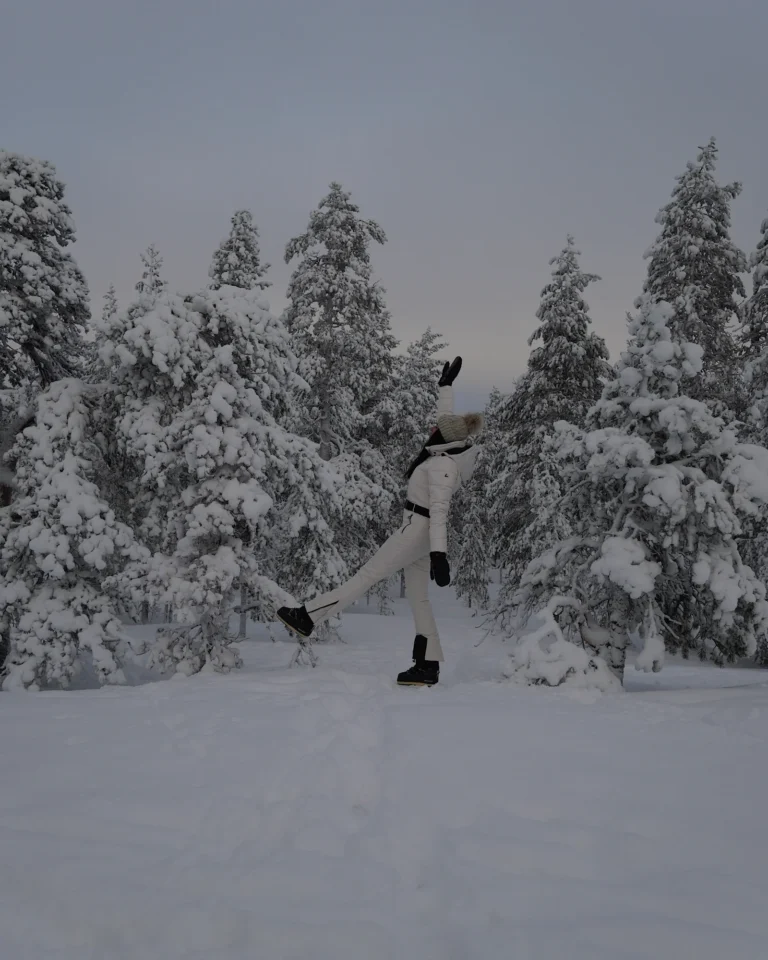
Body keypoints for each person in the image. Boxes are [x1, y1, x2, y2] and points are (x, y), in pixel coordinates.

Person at [276, 356, 483, 686]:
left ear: (442, 439)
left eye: (435, 430)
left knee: (367, 574)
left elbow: (441, 513)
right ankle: (427, 664)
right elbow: (444, 419)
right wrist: (446, 386)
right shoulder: (447, 449)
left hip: (418, 530)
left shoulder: (442, 467)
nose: (431, 429)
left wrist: (439, 556)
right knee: (420, 598)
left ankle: (308, 616)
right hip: (420, 532)